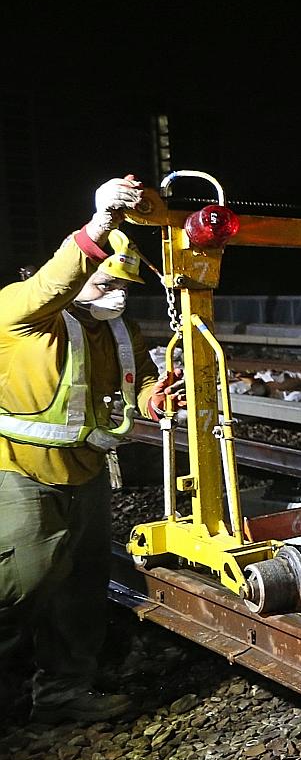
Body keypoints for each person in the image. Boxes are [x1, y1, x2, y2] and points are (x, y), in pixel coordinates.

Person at [0, 175, 185, 725]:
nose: (118, 295)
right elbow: (55, 282)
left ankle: (62, 690)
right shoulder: (22, 315)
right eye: (107, 283)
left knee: (80, 587)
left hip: (86, 474)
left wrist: (156, 399)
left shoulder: (116, 331)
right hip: (18, 471)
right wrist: (101, 223)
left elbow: (123, 394)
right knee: (22, 581)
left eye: (126, 285)